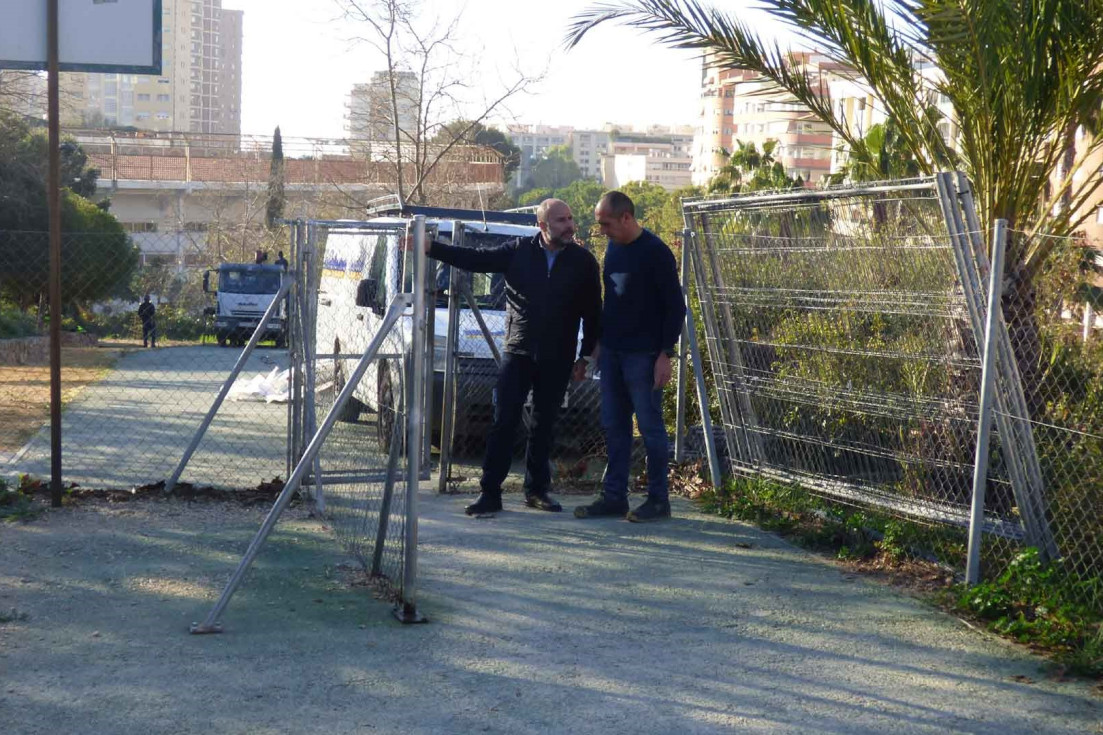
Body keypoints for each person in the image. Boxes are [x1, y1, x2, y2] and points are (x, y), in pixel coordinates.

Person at [424, 199, 601, 515]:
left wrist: (585, 357)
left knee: (544, 425)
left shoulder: (583, 262)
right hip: (518, 352)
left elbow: (593, 314)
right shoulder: (518, 250)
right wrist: (431, 248)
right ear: (542, 225)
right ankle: (490, 493)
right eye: (561, 220)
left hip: (558, 357)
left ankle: (537, 491)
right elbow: (475, 259)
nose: (570, 225)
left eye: (571, 218)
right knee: (503, 422)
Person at [575, 191, 685, 523]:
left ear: (626, 218)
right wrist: (597, 344)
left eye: (606, 223)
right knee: (615, 426)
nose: (602, 230)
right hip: (612, 353)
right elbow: (613, 300)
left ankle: (658, 500)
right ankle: (614, 497)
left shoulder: (656, 252)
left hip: (644, 355)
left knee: (650, 429)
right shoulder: (613, 249)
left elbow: (674, 307)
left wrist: (665, 354)